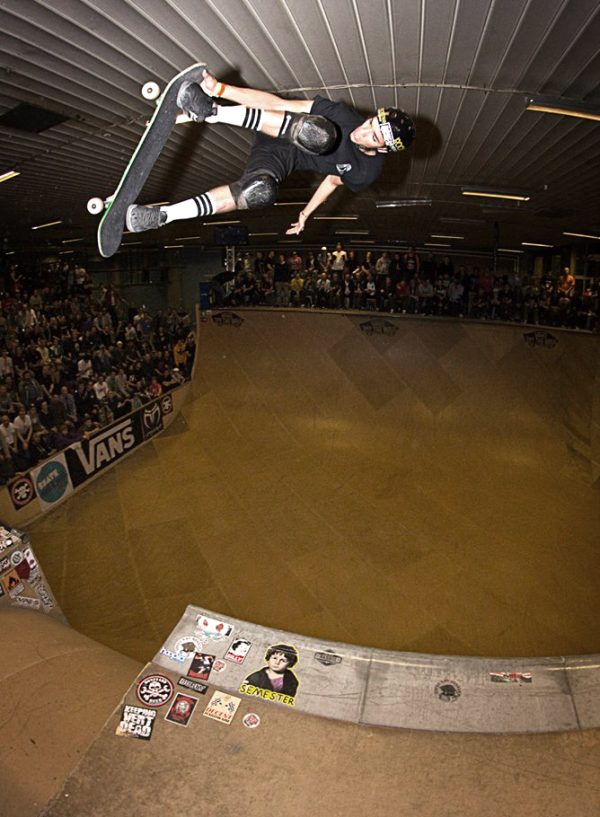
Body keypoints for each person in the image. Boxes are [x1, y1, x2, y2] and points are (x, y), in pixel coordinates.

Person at [126, 68, 415, 236]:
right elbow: (275, 102)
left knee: (258, 192)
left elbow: (331, 182)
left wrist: (306, 214)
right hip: (276, 126)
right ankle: (211, 112)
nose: (362, 131)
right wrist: (219, 90)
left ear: (384, 148)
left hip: (280, 157)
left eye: (373, 136)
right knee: (323, 134)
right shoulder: (341, 115)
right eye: (369, 123)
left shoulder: (367, 173)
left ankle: (163, 215)